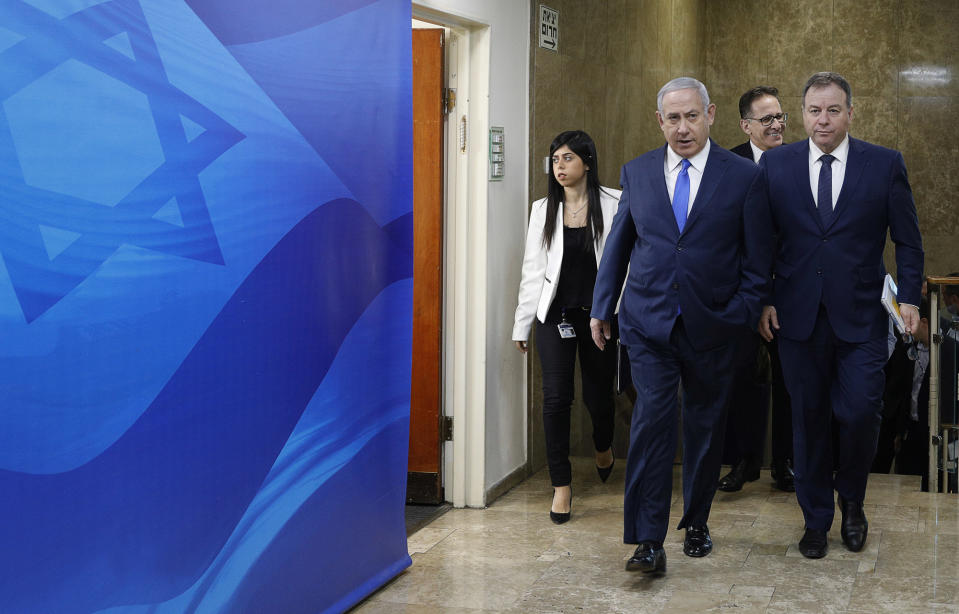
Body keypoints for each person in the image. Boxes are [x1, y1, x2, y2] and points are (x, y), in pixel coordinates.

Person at [589, 77, 763, 574]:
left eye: (691, 116)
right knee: (650, 424)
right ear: (659, 121)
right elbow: (619, 245)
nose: (682, 128)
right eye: (672, 118)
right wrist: (604, 307)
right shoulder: (638, 172)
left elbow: (757, 259)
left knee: (705, 428)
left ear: (710, 114)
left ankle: (699, 519)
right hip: (648, 322)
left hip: (715, 325)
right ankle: (647, 539)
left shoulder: (743, 177)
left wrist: (742, 313)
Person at [748, 72, 924, 559]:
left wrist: (909, 297)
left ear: (850, 112)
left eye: (832, 110)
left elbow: (907, 239)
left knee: (860, 413)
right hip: (796, 318)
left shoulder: (884, 164)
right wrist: (763, 298)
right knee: (807, 421)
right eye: (813, 111)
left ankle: (853, 499)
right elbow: (761, 242)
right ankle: (815, 519)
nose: (822, 120)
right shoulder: (776, 166)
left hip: (862, 316)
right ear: (801, 114)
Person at [512, 130, 622, 525]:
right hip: (554, 316)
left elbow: (626, 263)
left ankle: (603, 444)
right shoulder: (543, 208)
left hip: (599, 317)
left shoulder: (613, 203)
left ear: (587, 163)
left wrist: (616, 312)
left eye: (568, 158)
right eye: (555, 159)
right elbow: (533, 270)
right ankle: (562, 485)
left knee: (598, 397)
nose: (560, 167)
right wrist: (522, 324)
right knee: (556, 398)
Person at [720, 86, 794, 493]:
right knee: (742, 381)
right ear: (746, 125)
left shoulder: (799, 162)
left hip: (788, 293)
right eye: (767, 119)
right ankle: (743, 461)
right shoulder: (729, 163)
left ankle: (785, 462)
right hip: (742, 293)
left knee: (790, 382)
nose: (777, 125)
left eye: (781, 116)